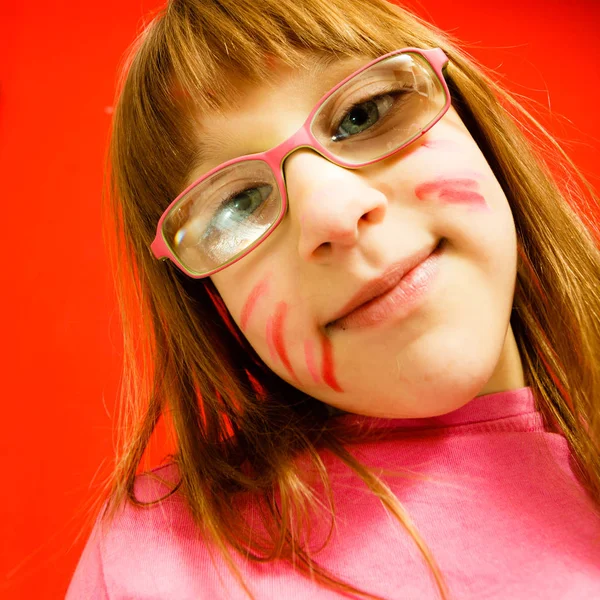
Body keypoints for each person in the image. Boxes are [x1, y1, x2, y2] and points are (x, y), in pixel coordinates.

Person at [65, 0, 600, 598]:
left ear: (472, 120)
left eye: (363, 112)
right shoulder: (155, 567)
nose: (334, 213)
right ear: (208, 300)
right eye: (237, 203)